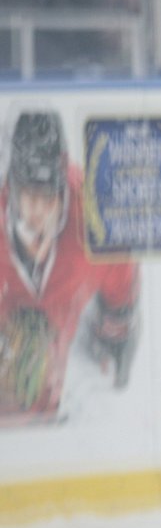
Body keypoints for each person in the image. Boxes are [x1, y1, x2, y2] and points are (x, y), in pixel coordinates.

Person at [0, 111, 138, 425]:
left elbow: (122, 284)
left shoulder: (95, 220)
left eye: (48, 196)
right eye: (28, 195)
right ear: (11, 186)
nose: (38, 211)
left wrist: (114, 331)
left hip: (65, 345)